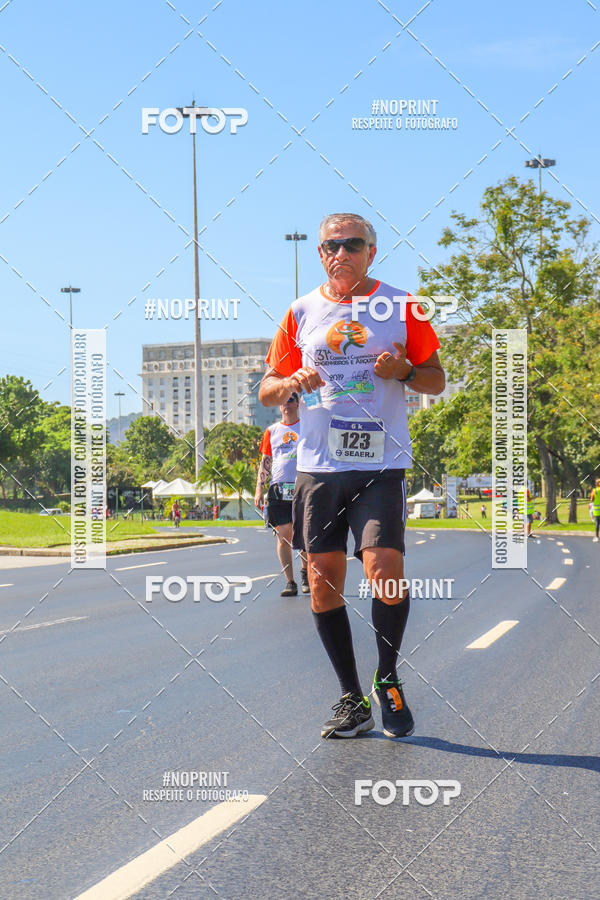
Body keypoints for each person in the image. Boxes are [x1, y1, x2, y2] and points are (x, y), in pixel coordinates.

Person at [259, 212, 445, 739]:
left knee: (385, 568)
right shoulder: (301, 311)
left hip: (380, 464)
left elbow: (437, 379)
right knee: (323, 588)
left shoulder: (401, 306)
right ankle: (350, 697)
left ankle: (386, 677)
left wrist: (404, 372)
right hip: (318, 469)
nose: (339, 253)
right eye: (330, 246)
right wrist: (291, 380)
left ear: (372, 250)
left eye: (351, 244)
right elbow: (266, 390)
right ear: (319, 254)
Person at [255, 393, 309, 596]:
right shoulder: (272, 431)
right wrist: (259, 487)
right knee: (283, 535)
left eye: (291, 400)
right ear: (279, 406)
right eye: (283, 401)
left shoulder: (306, 426)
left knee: (303, 535)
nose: (287, 404)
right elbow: (266, 460)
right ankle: (290, 582)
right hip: (278, 488)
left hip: (303, 487)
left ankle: (305, 572)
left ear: (298, 403)